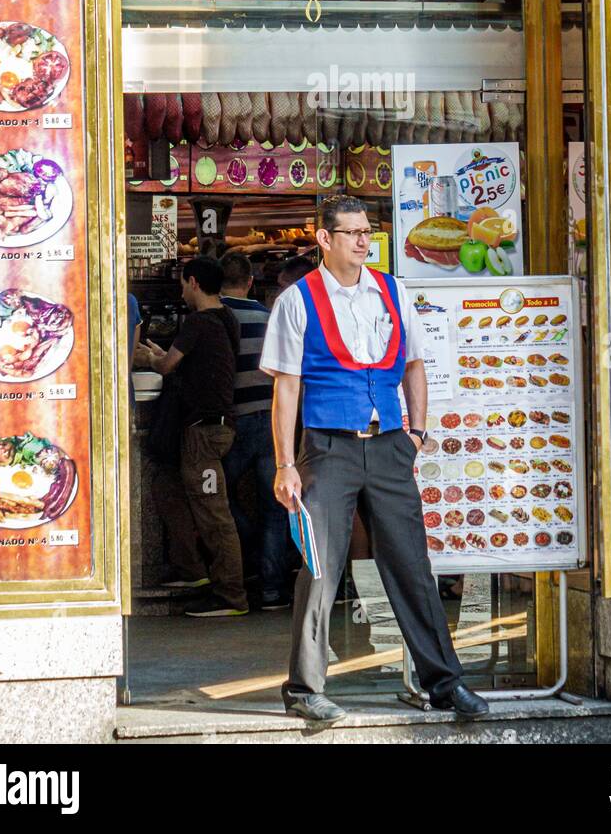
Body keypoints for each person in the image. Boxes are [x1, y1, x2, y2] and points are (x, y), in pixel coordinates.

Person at [261, 194, 489, 724]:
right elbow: (287, 390)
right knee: (321, 567)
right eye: (353, 232)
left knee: (412, 565)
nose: (365, 241)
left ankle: (444, 683)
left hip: (389, 442)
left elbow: (413, 365)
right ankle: (303, 688)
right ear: (325, 238)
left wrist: (417, 431)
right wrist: (284, 463)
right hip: (327, 446)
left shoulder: (391, 289)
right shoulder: (297, 300)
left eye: (368, 231)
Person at [144, 257, 249, 618]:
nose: (181, 291)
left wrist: (148, 355)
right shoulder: (226, 318)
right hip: (218, 425)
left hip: (202, 431)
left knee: (214, 514)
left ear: (192, 282)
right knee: (172, 489)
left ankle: (230, 596)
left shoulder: (198, 322)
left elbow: (166, 366)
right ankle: (194, 573)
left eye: (183, 284)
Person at [220, 251, 292, 609]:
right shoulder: (268, 318)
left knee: (217, 497)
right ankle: (272, 590)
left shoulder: (216, 317)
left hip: (233, 422)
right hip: (270, 420)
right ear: (250, 281)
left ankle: (246, 550)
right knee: (274, 509)